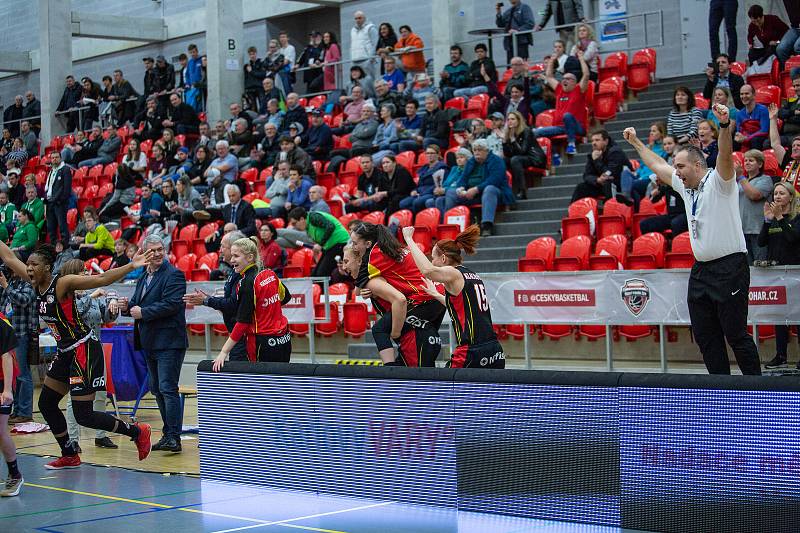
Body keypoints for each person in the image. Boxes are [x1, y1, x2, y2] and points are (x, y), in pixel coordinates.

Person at [622, 104, 761, 376]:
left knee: (735, 335)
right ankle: (720, 391)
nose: (677, 171)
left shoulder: (720, 182)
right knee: (706, 337)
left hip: (730, 267)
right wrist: (636, 142)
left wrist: (723, 126)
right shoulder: (687, 188)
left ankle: (756, 391)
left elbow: (723, 155)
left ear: (698, 165)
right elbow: (658, 165)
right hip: (701, 271)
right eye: (677, 166)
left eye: (681, 166)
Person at [0, 242, 154, 468]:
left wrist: (132, 265)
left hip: (85, 349)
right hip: (65, 352)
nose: (29, 268)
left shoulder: (62, 283)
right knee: (47, 404)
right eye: (28, 265)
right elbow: (10, 258)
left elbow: (101, 280)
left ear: (47, 267)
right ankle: (70, 453)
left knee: (84, 415)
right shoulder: (35, 283)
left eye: (34, 264)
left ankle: (137, 431)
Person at [402, 225, 505, 368]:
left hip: (472, 351)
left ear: (443, 258)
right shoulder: (471, 274)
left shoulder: (453, 272)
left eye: (433, 258)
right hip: (494, 349)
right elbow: (461, 307)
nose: (432, 262)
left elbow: (427, 270)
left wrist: (408, 239)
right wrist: (436, 294)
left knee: (442, 388)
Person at [120, 235, 187, 453]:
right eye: (153, 251)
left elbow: (172, 305)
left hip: (169, 342)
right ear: (144, 253)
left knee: (168, 388)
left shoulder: (174, 274)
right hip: (150, 342)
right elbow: (136, 304)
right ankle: (168, 434)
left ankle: (174, 437)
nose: (157, 254)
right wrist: (124, 307)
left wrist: (143, 312)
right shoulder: (143, 277)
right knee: (157, 389)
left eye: (160, 249)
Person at [57, 259, 119, 451]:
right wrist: (92, 295)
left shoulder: (91, 296)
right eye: (81, 272)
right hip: (77, 353)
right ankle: (73, 439)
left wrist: (112, 307)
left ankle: (101, 435)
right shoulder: (66, 296)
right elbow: (76, 313)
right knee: (73, 397)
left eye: (86, 271)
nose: (86, 274)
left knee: (100, 394)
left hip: (95, 350)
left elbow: (106, 317)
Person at [212, 237, 292, 369]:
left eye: (236, 256)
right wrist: (265, 308)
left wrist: (223, 352)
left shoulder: (247, 282)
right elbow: (285, 297)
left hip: (262, 342)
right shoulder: (270, 273)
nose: (231, 260)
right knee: (281, 383)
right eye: (231, 255)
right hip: (283, 338)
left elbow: (243, 322)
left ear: (249, 257)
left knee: (261, 385)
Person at [183, 230, 249, 361]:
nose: (220, 250)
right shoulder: (235, 271)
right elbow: (230, 305)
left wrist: (207, 300)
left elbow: (232, 304)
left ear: (234, 248)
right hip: (236, 336)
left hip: (244, 339)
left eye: (223, 246)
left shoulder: (244, 275)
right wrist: (208, 299)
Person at [759, 182, 800, 369]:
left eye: (782, 193)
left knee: (798, 317)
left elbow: (793, 238)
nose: (777, 197)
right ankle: (781, 356)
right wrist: (767, 221)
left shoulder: (798, 217)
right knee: (779, 317)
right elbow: (761, 242)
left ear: (790, 197)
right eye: (775, 193)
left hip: (794, 273)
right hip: (777, 275)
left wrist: (780, 218)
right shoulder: (773, 219)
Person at [444, 140, 515, 236]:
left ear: (487, 151)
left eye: (480, 150)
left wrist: (476, 189)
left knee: (489, 189)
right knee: (451, 192)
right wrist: (461, 188)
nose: (477, 152)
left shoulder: (497, 161)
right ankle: (449, 227)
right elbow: (462, 179)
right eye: (475, 150)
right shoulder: (471, 162)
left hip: (497, 193)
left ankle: (487, 225)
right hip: (472, 194)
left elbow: (495, 180)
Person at [534, 50, 590, 154]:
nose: (564, 80)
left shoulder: (579, 90)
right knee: (534, 132)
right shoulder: (559, 89)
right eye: (563, 78)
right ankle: (552, 155)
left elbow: (586, 75)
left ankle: (571, 145)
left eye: (568, 79)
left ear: (574, 82)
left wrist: (582, 59)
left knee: (567, 116)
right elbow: (549, 76)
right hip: (560, 128)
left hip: (577, 127)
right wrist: (551, 60)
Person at [0, 266, 36, 426]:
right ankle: (15, 409)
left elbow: (23, 300)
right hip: (8, 333)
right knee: (13, 375)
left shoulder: (27, 284)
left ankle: (25, 412)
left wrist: (6, 286)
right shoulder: (10, 282)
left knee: (22, 373)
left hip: (21, 333)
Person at [570, 129, 632, 203]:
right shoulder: (593, 154)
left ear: (606, 141)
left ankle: (610, 210)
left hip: (619, 183)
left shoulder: (615, 152)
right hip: (601, 183)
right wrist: (597, 180)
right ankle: (573, 212)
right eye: (592, 141)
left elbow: (611, 173)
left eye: (597, 140)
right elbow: (586, 175)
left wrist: (597, 161)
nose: (594, 143)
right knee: (581, 187)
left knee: (608, 182)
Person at [288, 206, 350, 278]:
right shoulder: (307, 228)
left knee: (321, 275)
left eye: (294, 223)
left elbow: (330, 226)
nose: (294, 227)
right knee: (314, 275)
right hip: (330, 247)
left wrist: (320, 244)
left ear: (302, 219)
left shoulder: (313, 217)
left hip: (340, 243)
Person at [735, 149, 773, 263]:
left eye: (751, 160)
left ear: (760, 164)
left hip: (759, 231)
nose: (746, 162)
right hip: (742, 232)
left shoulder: (766, 180)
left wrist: (741, 177)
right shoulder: (741, 181)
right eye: (745, 160)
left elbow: (754, 195)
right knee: (746, 268)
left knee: (760, 266)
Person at [0, 310, 23, 496]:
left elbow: (6, 356)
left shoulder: (1, 323)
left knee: (1, 430)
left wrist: (7, 389)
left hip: (2, 382)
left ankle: (15, 474)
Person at [503, 110, 546, 200]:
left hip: (535, 158)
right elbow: (508, 154)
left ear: (519, 121)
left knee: (515, 159)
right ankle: (506, 192)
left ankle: (522, 191)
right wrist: (504, 141)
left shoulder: (526, 131)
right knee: (502, 161)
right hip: (522, 158)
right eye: (508, 119)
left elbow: (523, 151)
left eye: (513, 119)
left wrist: (512, 140)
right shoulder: (510, 133)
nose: (510, 121)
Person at [769, 104, 800, 193]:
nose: (795, 148)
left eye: (798, 145)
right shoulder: (788, 160)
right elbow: (775, 144)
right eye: (793, 146)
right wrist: (773, 119)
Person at [44, 151, 72, 247]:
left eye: (56, 157)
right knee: (51, 227)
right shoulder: (51, 171)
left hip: (59, 203)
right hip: (49, 202)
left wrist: (61, 201)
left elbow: (67, 188)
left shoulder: (65, 169)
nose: (54, 159)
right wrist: (45, 202)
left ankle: (65, 246)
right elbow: (47, 188)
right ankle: (53, 247)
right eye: (53, 158)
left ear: (60, 158)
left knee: (62, 225)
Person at [735, 84, 769, 150]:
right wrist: (739, 137)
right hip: (745, 137)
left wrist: (747, 138)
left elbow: (764, 131)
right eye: (741, 94)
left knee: (755, 140)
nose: (744, 96)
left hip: (759, 138)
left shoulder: (763, 110)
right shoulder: (739, 114)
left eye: (747, 93)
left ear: (753, 95)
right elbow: (739, 131)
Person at [350, 11, 380, 79]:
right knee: (358, 82)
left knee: (369, 81)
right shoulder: (353, 30)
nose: (357, 20)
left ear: (364, 18)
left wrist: (370, 59)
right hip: (355, 60)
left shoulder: (371, 28)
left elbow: (375, 44)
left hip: (366, 60)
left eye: (359, 18)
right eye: (356, 18)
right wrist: (351, 59)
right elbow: (352, 46)